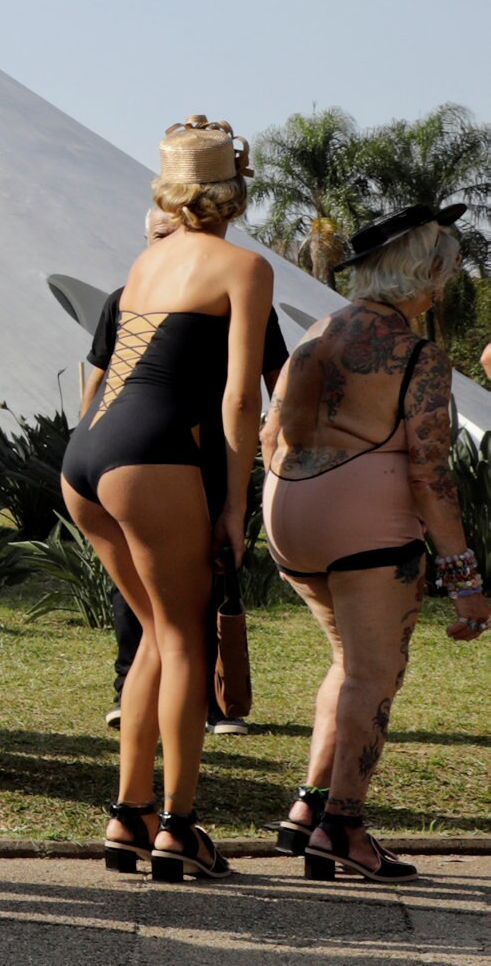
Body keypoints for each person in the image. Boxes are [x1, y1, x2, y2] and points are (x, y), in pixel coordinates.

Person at [61, 116, 272, 883]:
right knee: (187, 639)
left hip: (84, 457)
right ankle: (179, 825)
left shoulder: (143, 265)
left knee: (156, 631)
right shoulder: (242, 268)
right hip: (148, 458)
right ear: (234, 192)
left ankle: (130, 811)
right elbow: (240, 401)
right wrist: (233, 504)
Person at [259, 206, 491, 884]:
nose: (445, 286)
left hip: (289, 508)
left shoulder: (319, 330)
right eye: (444, 270)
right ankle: (345, 827)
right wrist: (466, 576)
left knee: (347, 661)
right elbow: (429, 470)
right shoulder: (418, 354)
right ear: (425, 272)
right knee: (375, 672)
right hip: (365, 523)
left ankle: (310, 806)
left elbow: (270, 433)